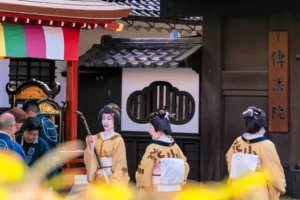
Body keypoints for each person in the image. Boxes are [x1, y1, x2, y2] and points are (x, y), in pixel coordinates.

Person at [225, 106, 286, 200]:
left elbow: (229, 159)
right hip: (257, 191)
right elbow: (273, 171)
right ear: (262, 127)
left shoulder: (238, 141)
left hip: (238, 188)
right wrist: (280, 186)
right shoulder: (266, 145)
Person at [135, 109, 190, 200]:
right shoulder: (175, 146)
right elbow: (185, 166)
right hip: (175, 191)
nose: (149, 131)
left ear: (157, 128)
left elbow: (144, 170)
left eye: (150, 128)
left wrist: (143, 188)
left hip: (157, 190)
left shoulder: (153, 148)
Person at [84, 103, 130, 186]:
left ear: (115, 121)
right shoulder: (95, 137)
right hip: (97, 176)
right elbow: (89, 157)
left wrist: (115, 182)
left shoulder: (118, 140)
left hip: (110, 178)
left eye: (109, 119)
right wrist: (90, 148)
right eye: (103, 118)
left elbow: (120, 163)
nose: (105, 122)